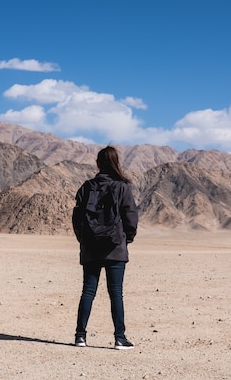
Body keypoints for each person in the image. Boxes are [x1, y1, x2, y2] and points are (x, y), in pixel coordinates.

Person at [72, 146, 139, 350]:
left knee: (88, 292)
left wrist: (83, 239)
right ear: (116, 163)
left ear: (98, 164)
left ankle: (80, 336)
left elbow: (76, 218)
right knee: (115, 293)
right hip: (115, 249)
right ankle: (120, 338)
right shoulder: (122, 188)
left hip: (90, 248)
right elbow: (131, 218)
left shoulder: (86, 187)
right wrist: (126, 239)